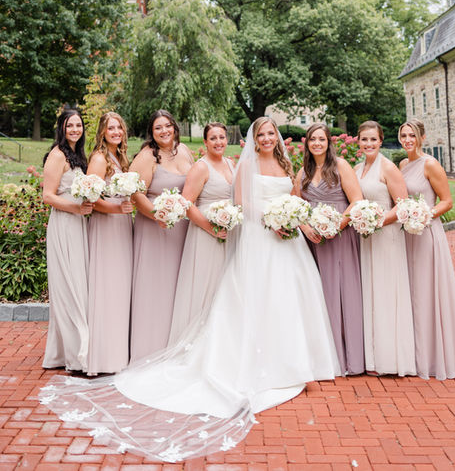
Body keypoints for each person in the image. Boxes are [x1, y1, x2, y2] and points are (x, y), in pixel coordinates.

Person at [39, 117, 340, 461]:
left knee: (288, 301)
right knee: (255, 300)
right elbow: (240, 204)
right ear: (252, 139)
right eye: (262, 133)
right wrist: (269, 220)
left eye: (272, 133)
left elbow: (293, 198)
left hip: (287, 243)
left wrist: (294, 219)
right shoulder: (237, 166)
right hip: (256, 239)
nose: (268, 137)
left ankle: (295, 361)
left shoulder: (278, 165)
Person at [398, 118, 455, 380]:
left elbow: (447, 201)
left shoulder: (430, 164)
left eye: (412, 135)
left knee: (427, 292)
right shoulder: (403, 165)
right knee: (413, 293)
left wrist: (424, 215)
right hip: (408, 235)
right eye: (403, 135)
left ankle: (435, 357)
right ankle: (416, 354)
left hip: (428, 234)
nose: (407, 140)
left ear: (422, 137)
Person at [295, 122, 365, 375]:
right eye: (312, 139)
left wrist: (336, 225)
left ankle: (349, 357)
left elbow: (357, 200)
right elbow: (295, 204)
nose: (317, 143)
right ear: (307, 143)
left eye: (321, 139)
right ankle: (326, 357)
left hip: (340, 237)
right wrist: (305, 228)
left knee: (343, 291)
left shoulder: (340, 166)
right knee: (320, 294)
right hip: (314, 241)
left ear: (328, 142)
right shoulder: (303, 171)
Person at [129, 109, 194, 360]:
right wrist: (158, 216)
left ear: (175, 127)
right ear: (151, 132)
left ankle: (177, 345)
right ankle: (150, 348)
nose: (164, 131)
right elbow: (136, 195)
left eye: (167, 126)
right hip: (154, 230)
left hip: (182, 229)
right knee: (156, 286)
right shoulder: (146, 156)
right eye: (158, 127)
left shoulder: (184, 150)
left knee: (178, 286)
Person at [355, 120, 415, 376]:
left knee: (386, 293)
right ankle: (373, 358)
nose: (368, 144)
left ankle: (391, 360)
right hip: (366, 238)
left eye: (373, 139)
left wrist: (377, 222)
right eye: (364, 139)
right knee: (370, 293)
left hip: (386, 237)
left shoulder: (388, 168)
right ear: (358, 141)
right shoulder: (357, 169)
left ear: (381, 141)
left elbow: (403, 205)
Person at [168, 122, 233, 344]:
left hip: (228, 234)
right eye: (213, 138)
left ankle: (222, 341)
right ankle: (198, 342)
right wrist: (210, 227)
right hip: (206, 235)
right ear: (205, 142)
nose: (218, 142)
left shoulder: (231, 164)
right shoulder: (201, 167)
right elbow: (186, 204)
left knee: (224, 286)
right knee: (206, 285)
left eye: (221, 137)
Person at [42, 108, 92, 372]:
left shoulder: (78, 156)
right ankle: (74, 354)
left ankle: (73, 348)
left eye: (78, 125)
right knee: (68, 286)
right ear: (62, 128)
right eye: (70, 125)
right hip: (64, 224)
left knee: (79, 284)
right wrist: (75, 208)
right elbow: (48, 196)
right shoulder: (57, 155)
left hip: (79, 225)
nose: (75, 129)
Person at [86, 112, 134, 374]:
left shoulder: (120, 157)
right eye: (111, 128)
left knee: (120, 286)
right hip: (106, 226)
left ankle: (119, 352)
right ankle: (104, 357)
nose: (116, 132)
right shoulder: (98, 159)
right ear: (102, 132)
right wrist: (116, 209)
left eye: (119, 128)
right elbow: (91, 199)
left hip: (122, 225)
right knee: (108, 285)